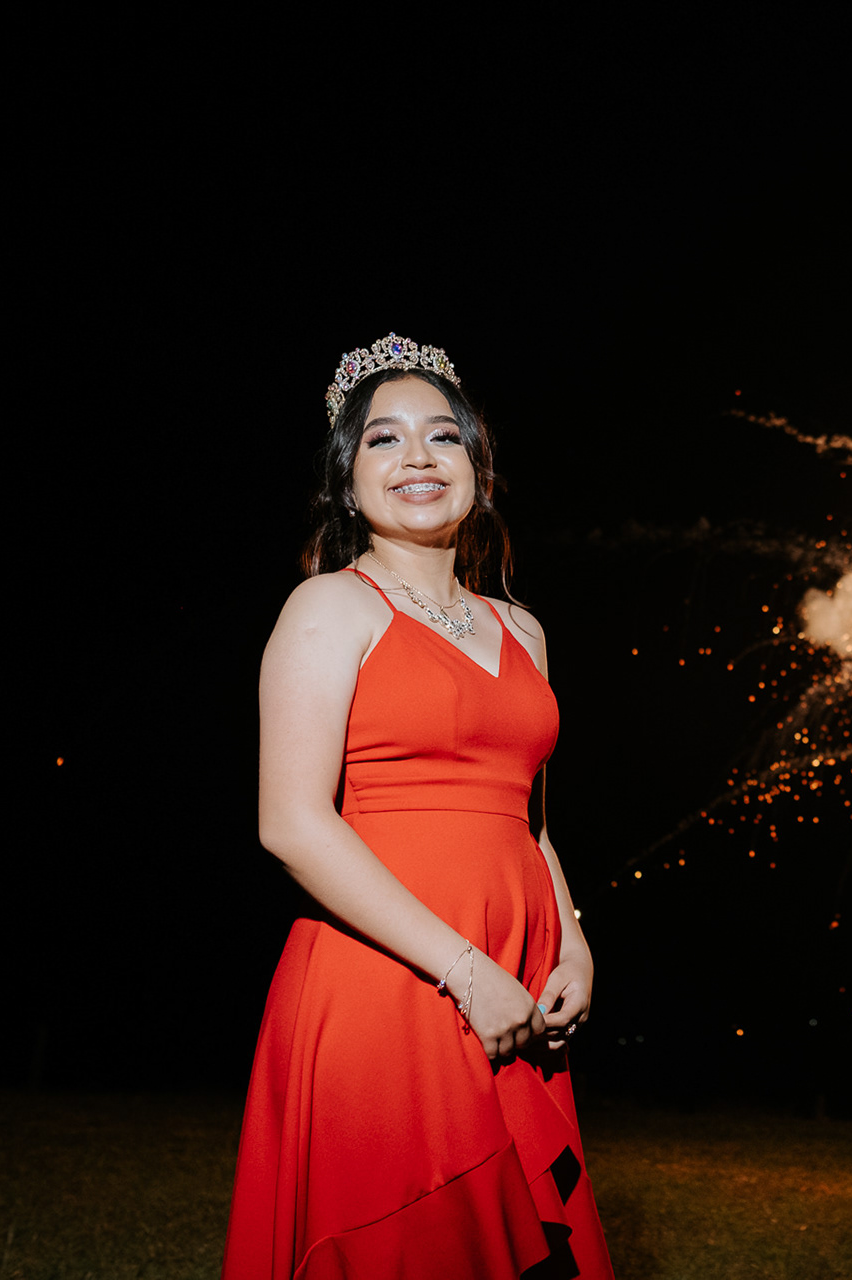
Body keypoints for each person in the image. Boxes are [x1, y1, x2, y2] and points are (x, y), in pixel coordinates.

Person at [223, 334, 612, 1278]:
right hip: (388, 972)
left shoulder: (523, 628)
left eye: (443, 435)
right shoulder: (331, 607)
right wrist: (464, 971)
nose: (418, 457)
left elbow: (532, 822)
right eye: (383, 439)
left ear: (478, 464)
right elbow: (291, 822)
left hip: (517, 966)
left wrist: (571, 941)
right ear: (346, 478)